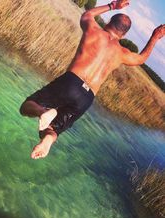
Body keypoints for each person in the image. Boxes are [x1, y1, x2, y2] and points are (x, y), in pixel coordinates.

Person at [19, 0, 165, 159]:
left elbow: (87, 14)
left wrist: (112, 6)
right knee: (54, 129)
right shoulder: (122, 53)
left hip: (71, 82)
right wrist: (155, 37)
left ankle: (43, 111)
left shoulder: (94, 30)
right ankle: (47, 140)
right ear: (124, 35)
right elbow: (140, 59)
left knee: (27, 106)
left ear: (109, 21)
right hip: (87, 98)